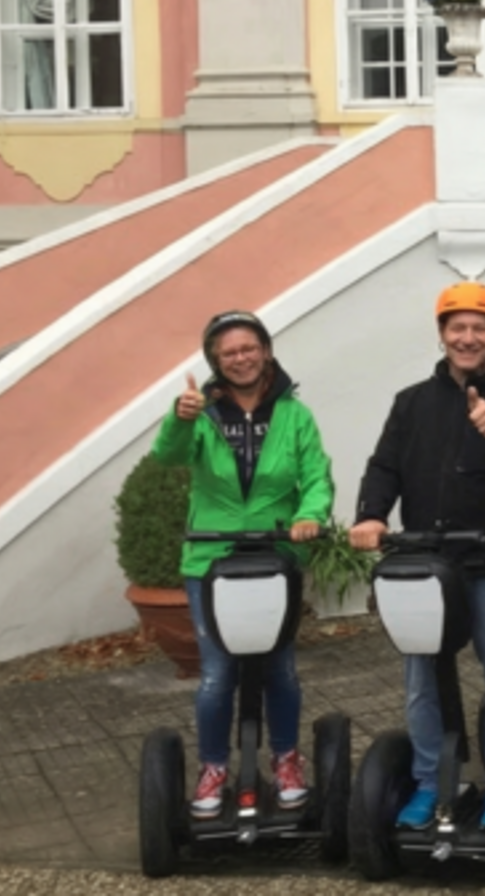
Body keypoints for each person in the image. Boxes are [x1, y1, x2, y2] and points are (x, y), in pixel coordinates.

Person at [350, 282, 485, 832]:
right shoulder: (412, 402)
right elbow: (385, 465)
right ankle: (433, 780)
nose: (468, 338)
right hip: (427, 566)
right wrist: (371, 514)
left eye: (479, 328)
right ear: (441, 333)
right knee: (423, 681)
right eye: (457, 327)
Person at [153, 310, 334, 820]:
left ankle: (286, 759)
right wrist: (179, 419)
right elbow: (168, 457)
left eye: (248, 348)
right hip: (211, 559)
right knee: (217, 673)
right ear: (216, 361)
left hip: (276, 555)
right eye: (228, 352)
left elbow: (316, 476)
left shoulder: (294, 415)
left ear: (266, 351)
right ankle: (213, 766)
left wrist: (310, 515)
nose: (240, 358)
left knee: (279, 668)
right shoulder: (201, 412)